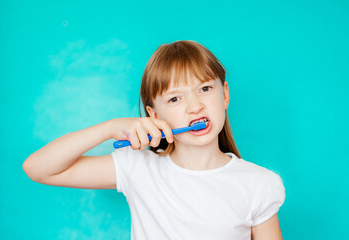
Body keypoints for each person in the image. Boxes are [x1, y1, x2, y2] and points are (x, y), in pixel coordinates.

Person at [23, 40, 286, 240]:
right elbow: (37, 168)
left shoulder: (258, 183)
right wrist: (110, 127)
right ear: (154, 114)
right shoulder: (137, 168)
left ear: (224, 95)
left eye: (204, 89)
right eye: (175, 98)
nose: (195, 107)